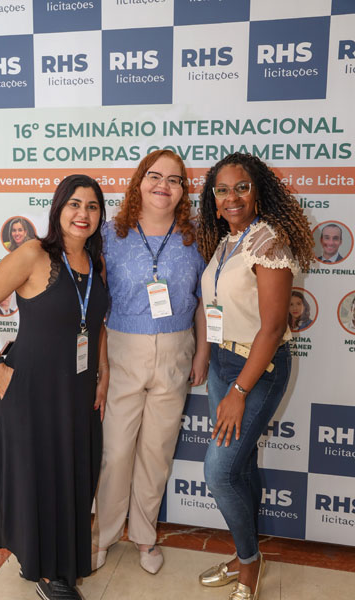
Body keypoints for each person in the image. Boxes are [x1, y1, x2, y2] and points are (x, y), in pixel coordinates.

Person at [0, 175, 109, 600]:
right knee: (40, 477)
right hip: (31, 388)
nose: (83, 214)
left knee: (74, 475)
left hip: (80, 388)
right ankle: (49, 574)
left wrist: (102, 374)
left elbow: (96, 325)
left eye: (92, 206)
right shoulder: (33, 253)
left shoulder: (97, 262)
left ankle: (46, 558)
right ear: (58, 208)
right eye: (74, 204)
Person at [197, 153, 314, 600]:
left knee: (219, 473)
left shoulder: (269, 242)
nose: (232, 197)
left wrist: (239, 391)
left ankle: (249, 565)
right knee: (240, 466)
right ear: (214, 198)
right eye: (223, 190)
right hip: (223, 363)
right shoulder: (228, 240)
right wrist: (208, 358)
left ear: (258, 191)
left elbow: (271, 327)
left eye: (241, 187)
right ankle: (245, 554)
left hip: (257, 370)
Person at [92, 149, 209, 575]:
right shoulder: (110, 234)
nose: (164, 186)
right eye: (155, 176)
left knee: (157, 451)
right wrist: (101, 364)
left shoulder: (196, 237)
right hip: (122, 350)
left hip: (177, 351)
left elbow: (203, 301)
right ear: (139, 182)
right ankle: (102, 535)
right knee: (116, 450)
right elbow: (95, 303)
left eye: (174, 180)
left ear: (183, 190)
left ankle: (145, 536)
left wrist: (202, 352)